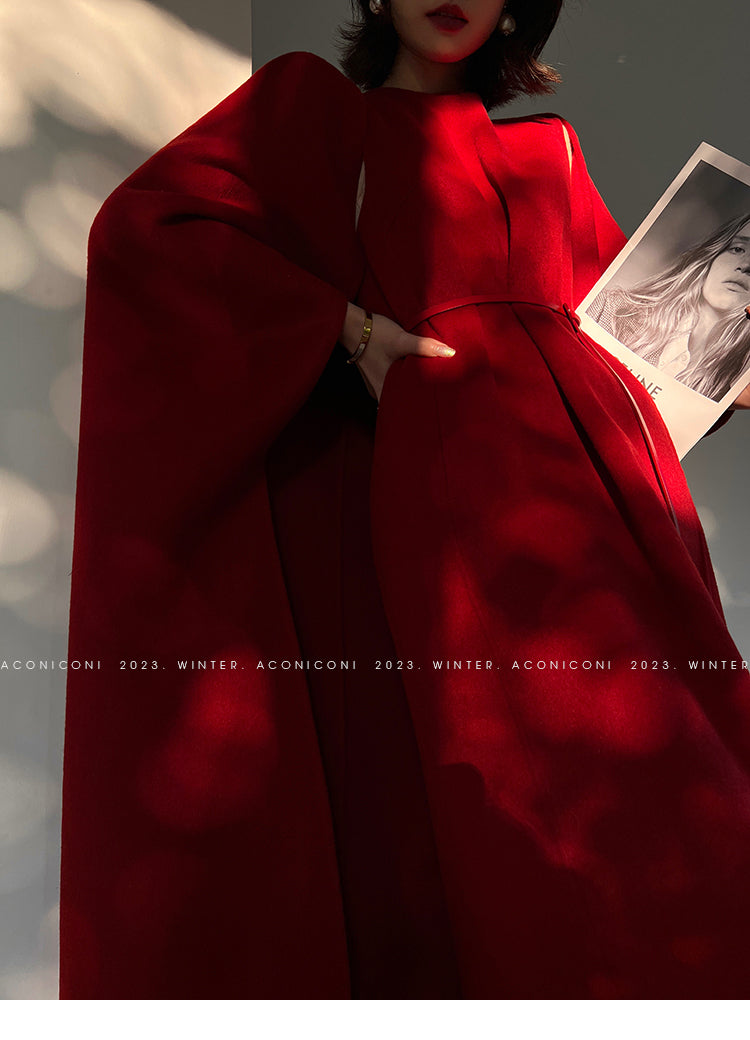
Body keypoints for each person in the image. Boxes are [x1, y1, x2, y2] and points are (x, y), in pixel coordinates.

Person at [60, 0, 750, 1000]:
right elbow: (150, 233)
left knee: (634, 807)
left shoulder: (552, 154)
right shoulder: (314, 109)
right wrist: (348, 330)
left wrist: (721, 374)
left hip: (572, 540)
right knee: (431, 823)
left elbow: (631, 351)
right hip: (411, 521)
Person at [588, 212, 750, 401]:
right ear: (713, 255)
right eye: (738, 249)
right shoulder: (612, 310)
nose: (746, 265)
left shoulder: (733, 383)